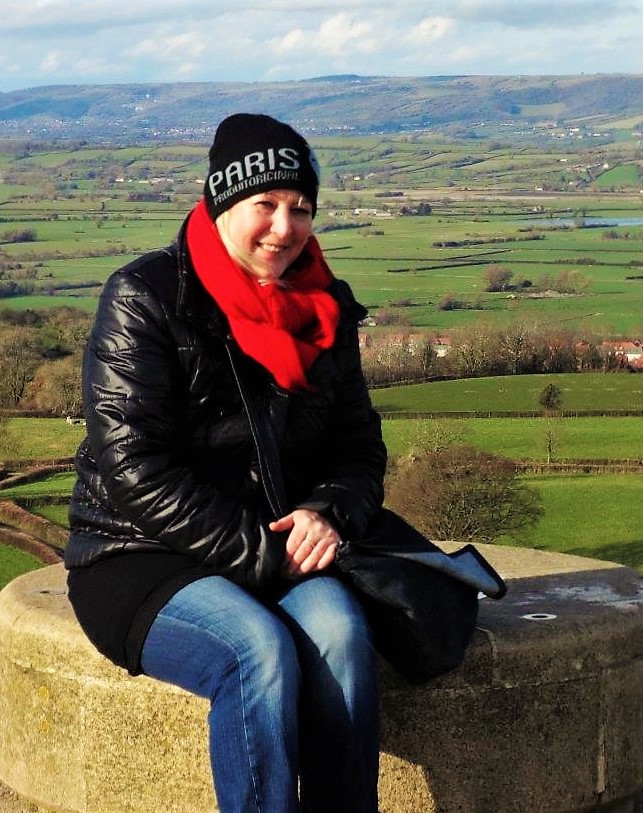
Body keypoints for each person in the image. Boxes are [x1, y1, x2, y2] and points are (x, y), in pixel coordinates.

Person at [64, 113, 387, 813]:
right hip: (139, 550)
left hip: (279, 542)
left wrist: (328, 512)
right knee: (255, 649)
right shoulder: (146, 297)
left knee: (342, 636)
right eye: (264, 205)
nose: (284, 226)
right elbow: (133, 464)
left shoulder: (324, 310)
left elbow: (358, 445)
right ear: (221, 205)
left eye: (300, 208)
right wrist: (266, 557)